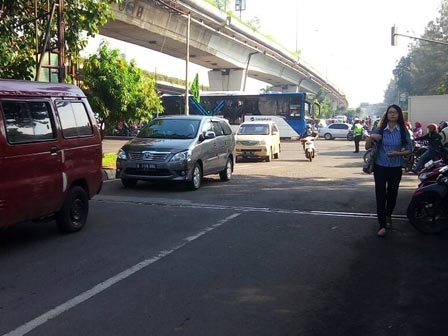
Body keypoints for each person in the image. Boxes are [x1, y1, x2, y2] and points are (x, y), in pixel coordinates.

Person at [365, 104, 412, 237]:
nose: (392, 114)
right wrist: (371, 137)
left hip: (395, 168)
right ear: (387, 115)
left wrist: (398, 153)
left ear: (399, 115)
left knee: (392, 194)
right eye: (390, 112)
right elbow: (367, 147)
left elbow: (410, 149)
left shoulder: (403, 131)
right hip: (380, 167)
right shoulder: (379, 130)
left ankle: (388, 215)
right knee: (380, 194)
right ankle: (382, 225)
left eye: (395, 113)